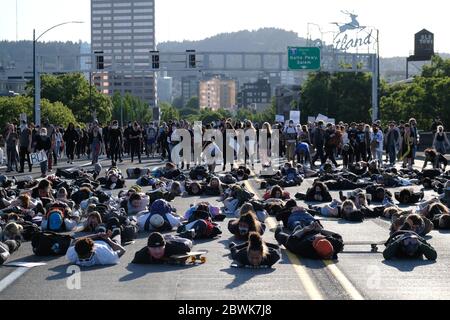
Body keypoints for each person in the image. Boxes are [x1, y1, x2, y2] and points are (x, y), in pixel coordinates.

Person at [275, 221, 343, 260]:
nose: (318, 237)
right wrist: (320, 230)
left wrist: (304, 230)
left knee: (280, 235)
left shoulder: (304, 249)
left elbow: (292, 239)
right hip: (314, 231)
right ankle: (301, 225)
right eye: (322, 237)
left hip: (301, 238)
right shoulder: (336, 244)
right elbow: (337, 235)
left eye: (316, 239)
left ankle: (279, 226)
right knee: (313, 222)